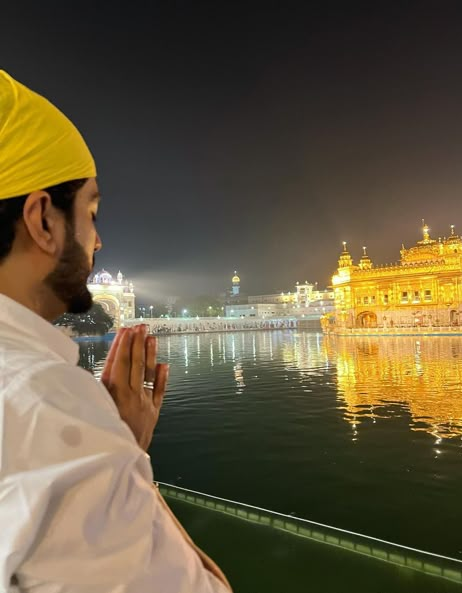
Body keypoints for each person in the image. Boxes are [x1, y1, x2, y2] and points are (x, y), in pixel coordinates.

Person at [0, 70, 231, 593]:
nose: (98, 240)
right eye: (92, 211)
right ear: (42, 220)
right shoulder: (48, 406)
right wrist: (127, 450)